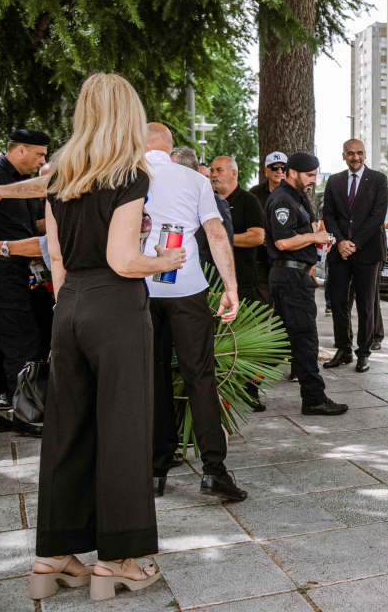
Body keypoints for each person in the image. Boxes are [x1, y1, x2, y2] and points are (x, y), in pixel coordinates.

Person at [32, 73, 182, 602]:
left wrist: (67, 307)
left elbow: (54, 255)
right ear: (129, 117)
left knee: (66, 430)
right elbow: (123, 259)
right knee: (123, 429)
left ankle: (53, 558)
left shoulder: (57, 174)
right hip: (115, 307)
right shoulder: (129, 175)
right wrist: (163, 260)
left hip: (69, 304)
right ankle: (118, 560)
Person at [142, 124, 247, 502]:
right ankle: (214, 471)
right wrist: (231, 288)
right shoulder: (192, 179)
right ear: (170, 149)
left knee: (151, 377)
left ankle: (155, 467)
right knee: (200, 376)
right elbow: (216, 234)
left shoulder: (123, 174)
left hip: (140, 288)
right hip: (186, 287)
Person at [0, 128, 49, 437]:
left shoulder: (20, 182)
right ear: (20, 151)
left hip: (14, 271)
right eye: (40, 154)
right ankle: (29, 417)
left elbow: (29, 223)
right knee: (25, 342)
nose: (43, 160)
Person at [266, 152, 348, 416]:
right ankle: (313, 398)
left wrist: (316, 241)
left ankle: (246, 387)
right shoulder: (282, 200)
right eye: (309, 175)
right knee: (305, 339)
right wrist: (315, 236)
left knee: (280, 340)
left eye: (315, 175)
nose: (314, 180)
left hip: (295, 275)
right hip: (289, 276)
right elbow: (282, 242)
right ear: (292, 173)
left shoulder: (295, 198)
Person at [321, 139, 388, 373]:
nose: (355, 157)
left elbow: (377, 216)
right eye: (350, 154)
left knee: (366, 305)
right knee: (338, 302)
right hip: (340, 252)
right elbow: (328, 214)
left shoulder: (378, 180)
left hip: (367, 252)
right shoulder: (335, 180)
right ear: (344, 156)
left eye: (359, 153)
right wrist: (340, 242)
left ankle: (364, 353)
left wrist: (354, 243)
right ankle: (344, 349)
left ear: (364, 154)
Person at [210, 154, 268, 410]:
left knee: (246, 340)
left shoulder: (248, 200)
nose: (213, 174)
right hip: (212, 284)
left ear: (234, 173)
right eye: (212, 169)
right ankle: (221, 392)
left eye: (219, 170)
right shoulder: (207, 201)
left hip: (243, 283)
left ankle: (250, 391)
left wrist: (220, 239)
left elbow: (257, 237)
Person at [170, 147, 234, 275]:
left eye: (171, 167)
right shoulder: (170, 198)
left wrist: (216, 289)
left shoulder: (215, 201)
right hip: (171, 275)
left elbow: (222, 244)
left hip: (203, 279)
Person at [249, 151, 288, 307]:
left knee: (283, 310)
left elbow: (309, 224)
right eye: (274, 167)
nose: (279, 171)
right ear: (265, 170)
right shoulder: (254, 194)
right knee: (261, 308)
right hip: (261, 260)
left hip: (286, 260)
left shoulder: (296, 194)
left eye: (283, 168)